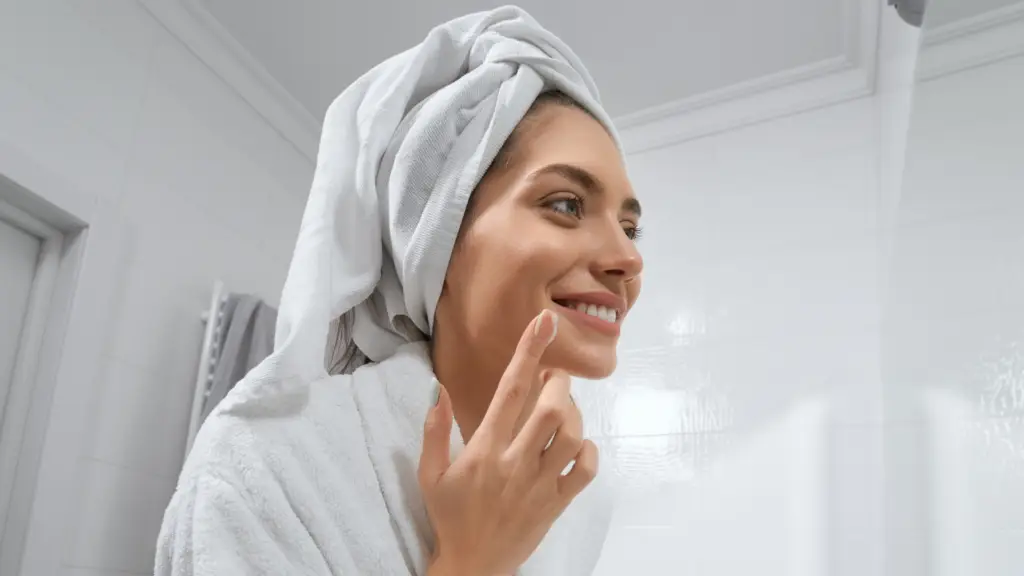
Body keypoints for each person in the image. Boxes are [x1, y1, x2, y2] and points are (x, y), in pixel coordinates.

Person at [155, 6, 643, 576]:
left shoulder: (572, 490)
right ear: (437, 242)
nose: (628, 259)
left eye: (630, 228)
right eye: (565, 205)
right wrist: (471, 563)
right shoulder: (263, 466)